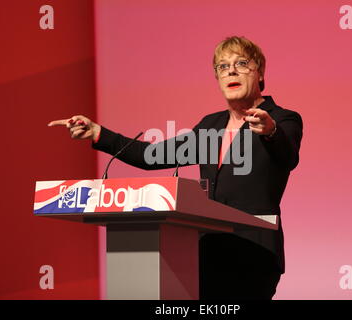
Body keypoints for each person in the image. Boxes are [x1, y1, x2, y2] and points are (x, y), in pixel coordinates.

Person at [48, 36, 303, 300]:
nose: (231, 71)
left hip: (254, 252)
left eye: (241, 63)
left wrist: (271, 131)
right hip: (208, 251)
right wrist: (98, 133)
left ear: (260, 72)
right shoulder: (210, 126)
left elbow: (288, 156)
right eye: (222, 66)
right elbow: (151, 156)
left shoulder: (283, 118)